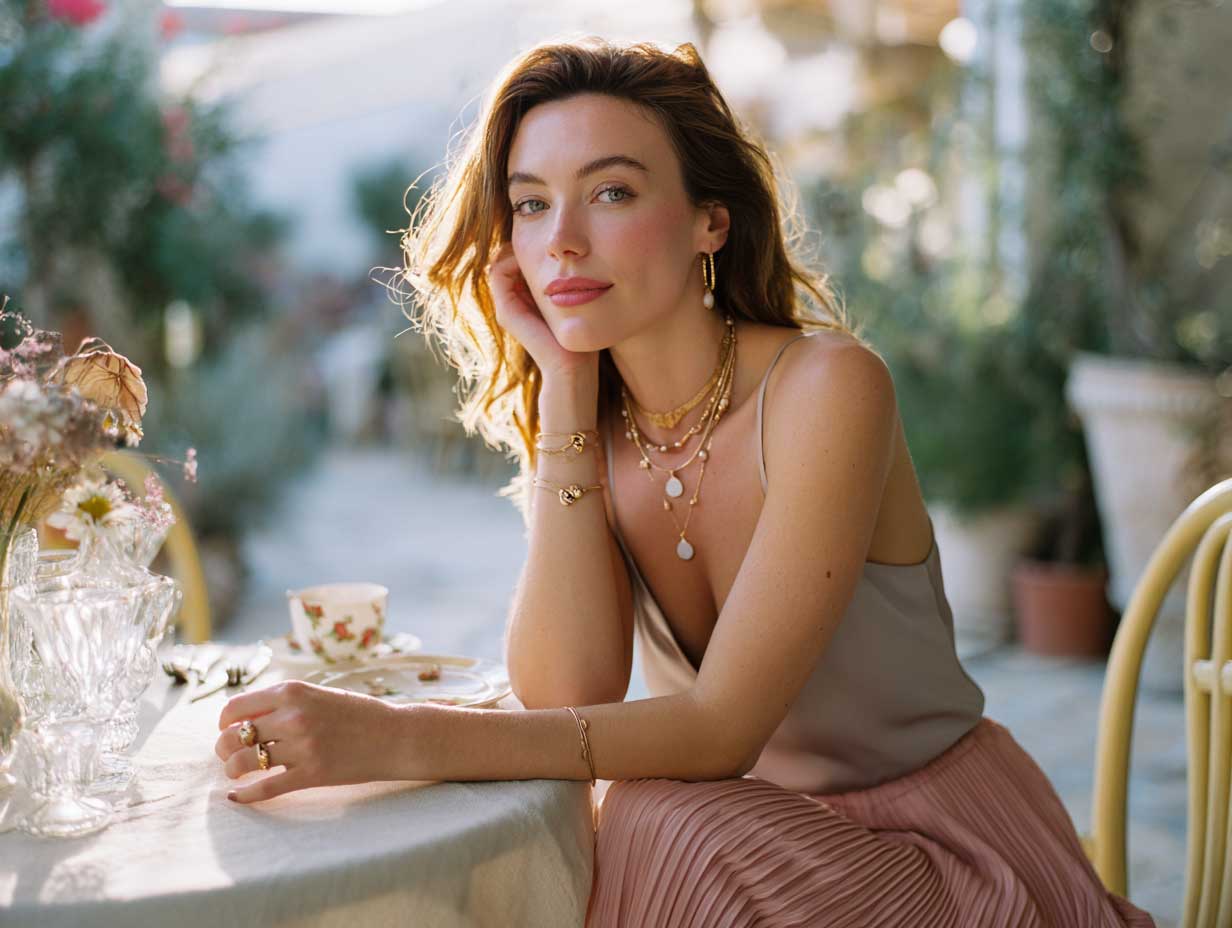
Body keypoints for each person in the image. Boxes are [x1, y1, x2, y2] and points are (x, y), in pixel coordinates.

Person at [214, 37, 1157, 927]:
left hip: (945, 856)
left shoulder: (828, 388)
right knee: (651, 821)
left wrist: (398, 737)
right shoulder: (596, 425)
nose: (561, 242)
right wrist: (565, 390)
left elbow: (719, 734)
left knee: (658, 820)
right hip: (758, 852)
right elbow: (566, 688)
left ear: (712, 220)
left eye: (611, 192)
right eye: (532, 204)